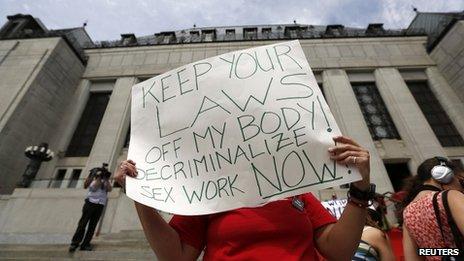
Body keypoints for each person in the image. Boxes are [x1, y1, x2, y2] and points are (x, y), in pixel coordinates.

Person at [115, 136, 374, 260]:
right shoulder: (210, 191)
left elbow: (339, 251)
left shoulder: (297, 190)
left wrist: (360, 187)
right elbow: (176, 257)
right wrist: (141, 196)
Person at [402, 157, 464, 260]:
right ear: (444, 176)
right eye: (460, 180)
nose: (461, 185)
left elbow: (412, 258)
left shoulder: (407, 212)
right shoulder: (451, 196)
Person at [69, 163, 112, 252]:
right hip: (90, 203)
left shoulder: (105, 180)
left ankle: (85, 244)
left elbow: (109, 189)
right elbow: (93, 187)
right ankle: (75, 243)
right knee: (82, 224)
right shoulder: (93, 179)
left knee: (92, 226)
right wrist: (98, 177)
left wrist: (106, 179)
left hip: (100, 204)